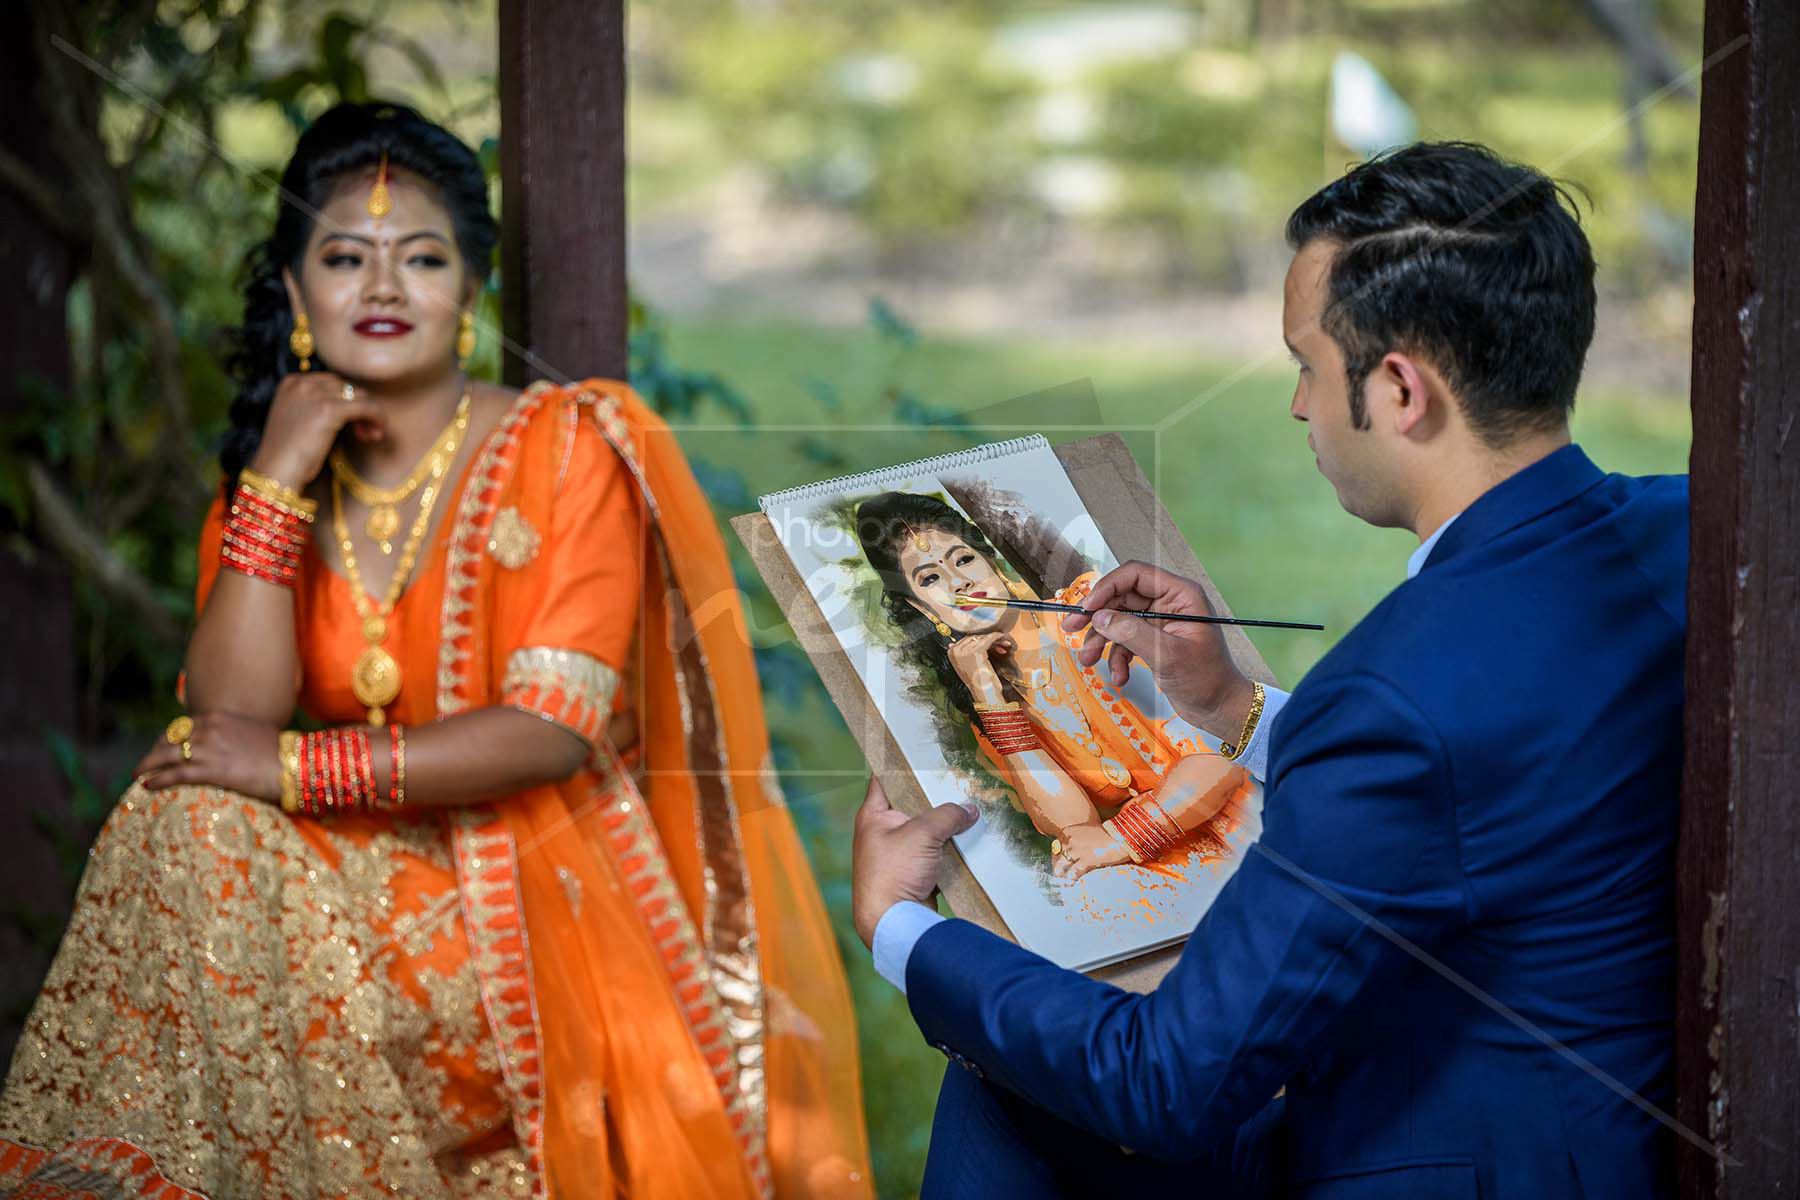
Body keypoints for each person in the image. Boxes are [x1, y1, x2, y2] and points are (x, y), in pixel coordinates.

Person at [0, 102, 872, 1200]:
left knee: (201, 842)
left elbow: (553, 732)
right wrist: (276, 478)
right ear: (294, 293)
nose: (382, 285)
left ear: (468, 292)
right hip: (342, 882)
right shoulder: (271, 475)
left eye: (421, 257)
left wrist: (299, 770)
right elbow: (230, 719)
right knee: (181, 821)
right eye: (343, 257)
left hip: (530, 902)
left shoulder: (564, 447)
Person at [851, 141, 1687, 1197]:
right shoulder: (1689, 529)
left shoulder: (1392, 696)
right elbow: (1490, 752)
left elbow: (1165, 1084)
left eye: (1306, 363)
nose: (1297, 405)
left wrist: (905, 932)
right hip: (1609, 1103)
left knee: (1021, 1086)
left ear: (1398, 390)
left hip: (1462, 1152)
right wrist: (1226, 704)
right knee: (1018, 1082)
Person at [853, 491, 1252, 879]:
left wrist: (1120, 839)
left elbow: (1223, 750)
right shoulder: (991, 705)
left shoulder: (1092, 618)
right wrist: (989, 699)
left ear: (991, 562)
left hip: (1259, 810)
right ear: (922, 608)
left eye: (964, 559)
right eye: (931, 578)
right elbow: (1073, 827)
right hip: (1188, 869)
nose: (958, 582)